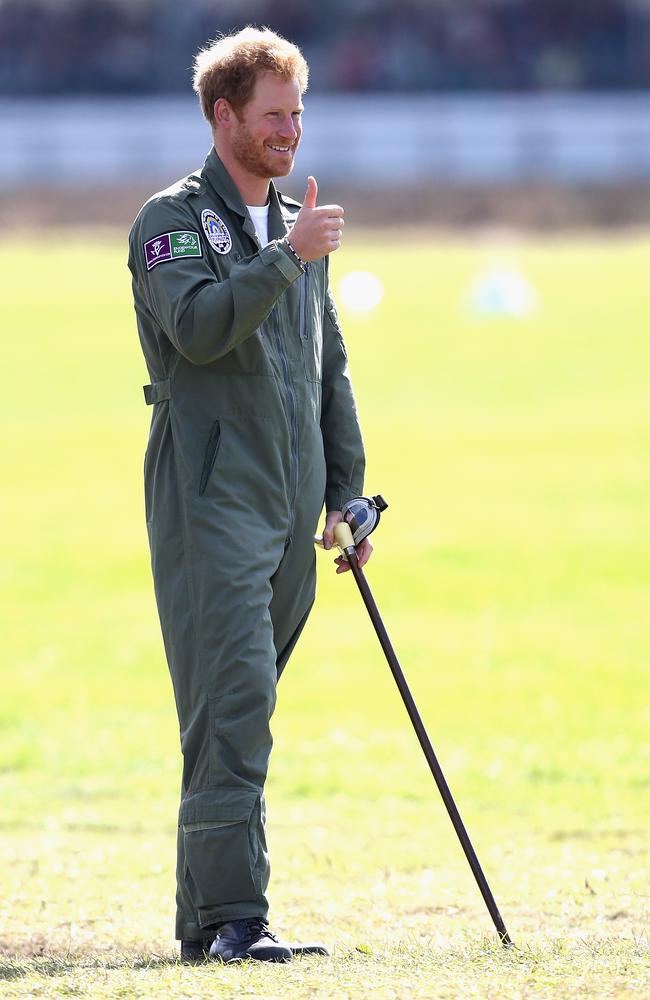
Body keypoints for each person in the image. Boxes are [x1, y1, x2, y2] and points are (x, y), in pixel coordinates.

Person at [127, 26, 372, 964]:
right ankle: (239, 919)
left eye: (298, 113)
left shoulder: (293, 222)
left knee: (237, 709)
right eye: (274, 114)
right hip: (211, 496)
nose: (290, 131)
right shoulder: (170, 222)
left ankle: (206, 924)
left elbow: (329, 370)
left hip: (290, 508)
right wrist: (288, 258)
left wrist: (346, 495)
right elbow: (195, 328)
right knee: (234, 705)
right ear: (224, 115)